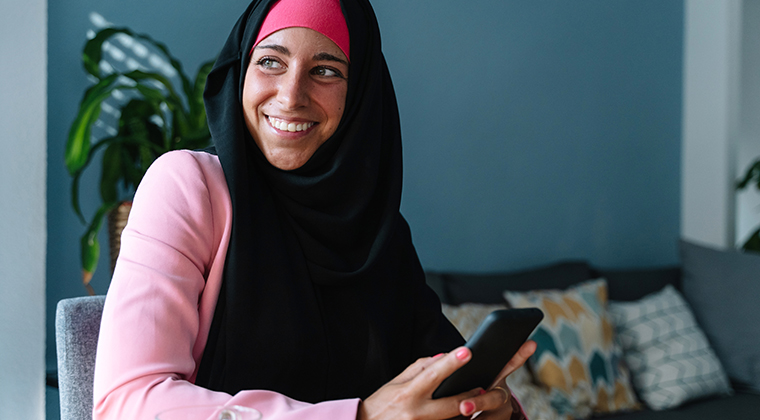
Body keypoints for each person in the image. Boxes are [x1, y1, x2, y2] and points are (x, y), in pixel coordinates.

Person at [92, 0, 536, 419]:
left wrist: (485, 409)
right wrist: (358, 416)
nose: (291, 96)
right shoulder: (190, 187)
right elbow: (128, 402)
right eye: (270, 61)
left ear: (360, 93)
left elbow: (435, 370)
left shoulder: (373, 229)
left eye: (325, 71)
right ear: (241, 68)